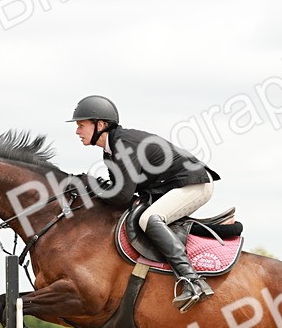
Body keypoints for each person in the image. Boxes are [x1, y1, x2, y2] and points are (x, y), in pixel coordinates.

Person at [70, 94, 220, 312]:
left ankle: (192, 281)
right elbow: (120, 195)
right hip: (170, 186)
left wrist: (92, 187)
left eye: (81, 125)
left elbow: (121, 196)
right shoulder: (109, 153)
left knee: (149, 218)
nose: (77, 131)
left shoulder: (124, 145)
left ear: (100, 125)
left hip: (194, 184)